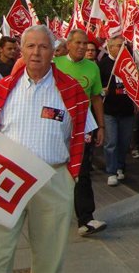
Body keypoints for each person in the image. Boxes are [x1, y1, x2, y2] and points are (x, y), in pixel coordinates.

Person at [0, 25, 96, 273]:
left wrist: (71, 176)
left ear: (53, 52)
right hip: (7, 180)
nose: (36, 52)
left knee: (49, 259)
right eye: (30, 46)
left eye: (43, 46)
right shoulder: (3, 89)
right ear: (21, 52)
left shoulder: (72, 91)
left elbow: (82, 134)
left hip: (52, 179)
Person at [53, 29, 107, 237]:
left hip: (82, 127)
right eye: (78, 43)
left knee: (82, 172)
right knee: (56, 172)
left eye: (85, 44)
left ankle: (86, 219)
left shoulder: (92, 67)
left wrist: (100, 127)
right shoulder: (55, 64)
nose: (82, 47)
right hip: (55, 126)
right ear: (68, 44)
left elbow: (96, 98)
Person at [98, 35, 135, 186]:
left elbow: (135, 84)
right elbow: (97, 88)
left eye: (124, 45)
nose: (122, 48)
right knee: (111, 142)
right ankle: (111, 171)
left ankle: (120, 166)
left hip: (127, 110)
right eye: (119, 45)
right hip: (110, 110)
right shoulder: (103, 64)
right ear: (110, 47)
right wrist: (102, 91)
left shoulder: (129, 63)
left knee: (124, 142)